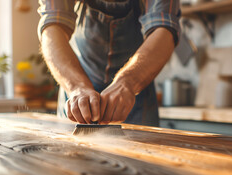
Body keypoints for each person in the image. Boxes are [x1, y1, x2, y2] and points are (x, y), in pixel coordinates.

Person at [38, 0, 180, 126]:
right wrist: (76, 86)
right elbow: (52, 27)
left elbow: (164, 29)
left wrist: (128, 83)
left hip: (137, 93)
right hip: (76, 91)